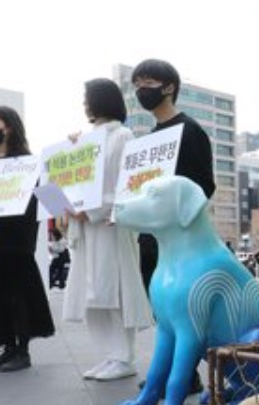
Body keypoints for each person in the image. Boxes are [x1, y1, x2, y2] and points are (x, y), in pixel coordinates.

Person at [63, 78, 153, 381]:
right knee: (92, 295)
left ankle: (123, 357)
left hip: (109, 225)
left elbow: (126, 184)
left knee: (112, 290)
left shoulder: (123, 136)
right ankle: (110, 354)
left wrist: (92, 210)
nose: (84, 103)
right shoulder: (86, 139)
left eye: (88, 97)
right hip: (86, 226)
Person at [0, 106, 54, 372]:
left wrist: (65, 214)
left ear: (10, 127)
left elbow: (49, 198)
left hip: (16, 240)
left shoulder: (29, 162)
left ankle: (22, 350)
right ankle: (5, 347)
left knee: (19, 294)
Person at [131, 58, 215, 290]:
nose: (141, 90)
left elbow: (204, 186)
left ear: (169, 87)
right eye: (137, 85)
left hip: (181, 238)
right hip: (151, 238)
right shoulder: (149, 140)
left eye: (148, 82)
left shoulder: (189, 131)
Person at [47, 222, 69, 289]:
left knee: (54, 269)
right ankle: (58, 283)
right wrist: (51, 250)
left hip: (60, 258)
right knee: (59, 270)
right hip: (57, 257)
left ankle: (52, 282)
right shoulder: (54, 241)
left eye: (52, 235)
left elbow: (61, 249)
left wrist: (52, 248)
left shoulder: (62, 241)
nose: (51, 237)